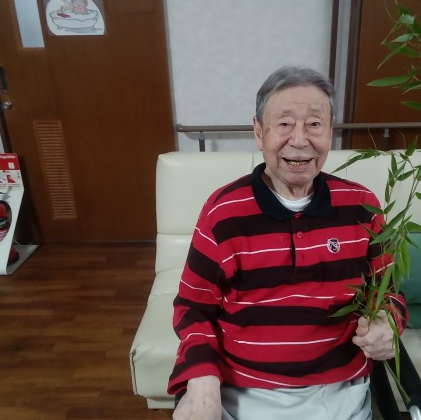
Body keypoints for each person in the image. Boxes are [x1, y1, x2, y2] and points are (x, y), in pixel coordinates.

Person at [168, 66, 408, 420]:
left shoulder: (362, 207)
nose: (299, 140)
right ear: (258, 131)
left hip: (339, 394)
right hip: (243, 394)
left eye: (314, 124)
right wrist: (203, 379)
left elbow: (389, 293)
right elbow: (192, 308)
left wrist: (388, 323)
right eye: (284, 124)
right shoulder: (222, 213)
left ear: (330, 131)